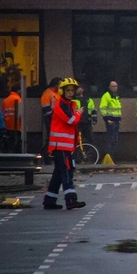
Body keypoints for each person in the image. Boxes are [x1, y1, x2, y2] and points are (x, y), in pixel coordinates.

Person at [42, 77, 86, 210]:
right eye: (68, 90)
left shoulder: (67, 104)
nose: (71, 93)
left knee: (58, 173)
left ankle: (49, 200)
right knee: (67, 172)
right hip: (60, 146)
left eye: (72, 90)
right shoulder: (61, 105)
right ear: (62, 91)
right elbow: (71, 121)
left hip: (63, 146)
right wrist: (79, 113)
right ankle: (71, 200)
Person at [99, 80, 122, 161]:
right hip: (111, 120)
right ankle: (108, 155)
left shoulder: (115, 96)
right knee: (110, 138)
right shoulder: (106, 96)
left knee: (115, 139)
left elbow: (118, 109)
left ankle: (111, 156)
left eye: (116, 86)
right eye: (113, 86)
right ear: (109, 87)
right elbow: (102, 108)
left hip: (116, 120)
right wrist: (107, 119)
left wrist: (119, 119)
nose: (115, 88)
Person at [74, 86, 97, 159]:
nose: (79, 89)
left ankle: (87, 154)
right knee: (77, 139)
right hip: (77, 122)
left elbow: (93, 110)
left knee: (90, 139)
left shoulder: (89, 100)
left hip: (87, 122)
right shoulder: (73, 100)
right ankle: (77, 156)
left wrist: (94, 119)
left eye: (80, 88)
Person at [40, 77, 60, 153]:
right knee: (50, 138)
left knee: (55, 138)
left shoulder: (57, 93)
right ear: (56, 85)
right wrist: (53, 118)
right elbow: (46, 109)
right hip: (50, 119)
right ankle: (46, 156)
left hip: (56, 119)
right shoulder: (47, 93)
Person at [2, 84, 22, 152]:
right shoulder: (18, 99)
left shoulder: (6, 100)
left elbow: (4, 113)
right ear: (18, 91)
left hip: (7, 125)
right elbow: (20, 114)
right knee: (16, 144)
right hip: (17, 126)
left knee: (9, 143)